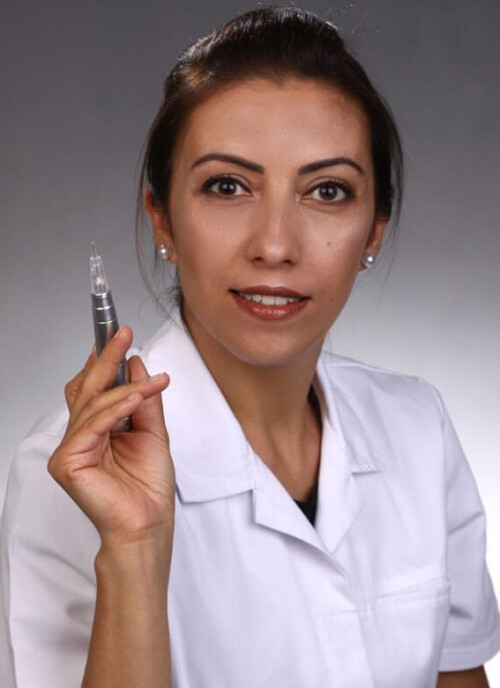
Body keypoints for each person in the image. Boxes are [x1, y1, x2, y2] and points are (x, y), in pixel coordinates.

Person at [0, 6, 499, 687]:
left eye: (327, 191)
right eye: (228, 186)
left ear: (374, 232)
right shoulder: (71, 472)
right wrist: (135, 549)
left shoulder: (417, 426)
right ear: (162, 220)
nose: (275, 245)